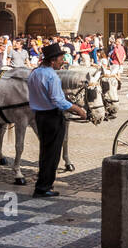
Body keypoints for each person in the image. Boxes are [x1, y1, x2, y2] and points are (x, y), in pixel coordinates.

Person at [26, 42, 85, 198]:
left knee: (45, 152)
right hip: (52, 117)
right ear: (52, 60)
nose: (62, 61)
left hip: (40, 116)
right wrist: (77, 109)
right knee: (52, 154)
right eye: (60, 58)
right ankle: (43, 187)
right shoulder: (52, 75)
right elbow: (58, 100)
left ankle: (43, 183)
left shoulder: (34, 73)